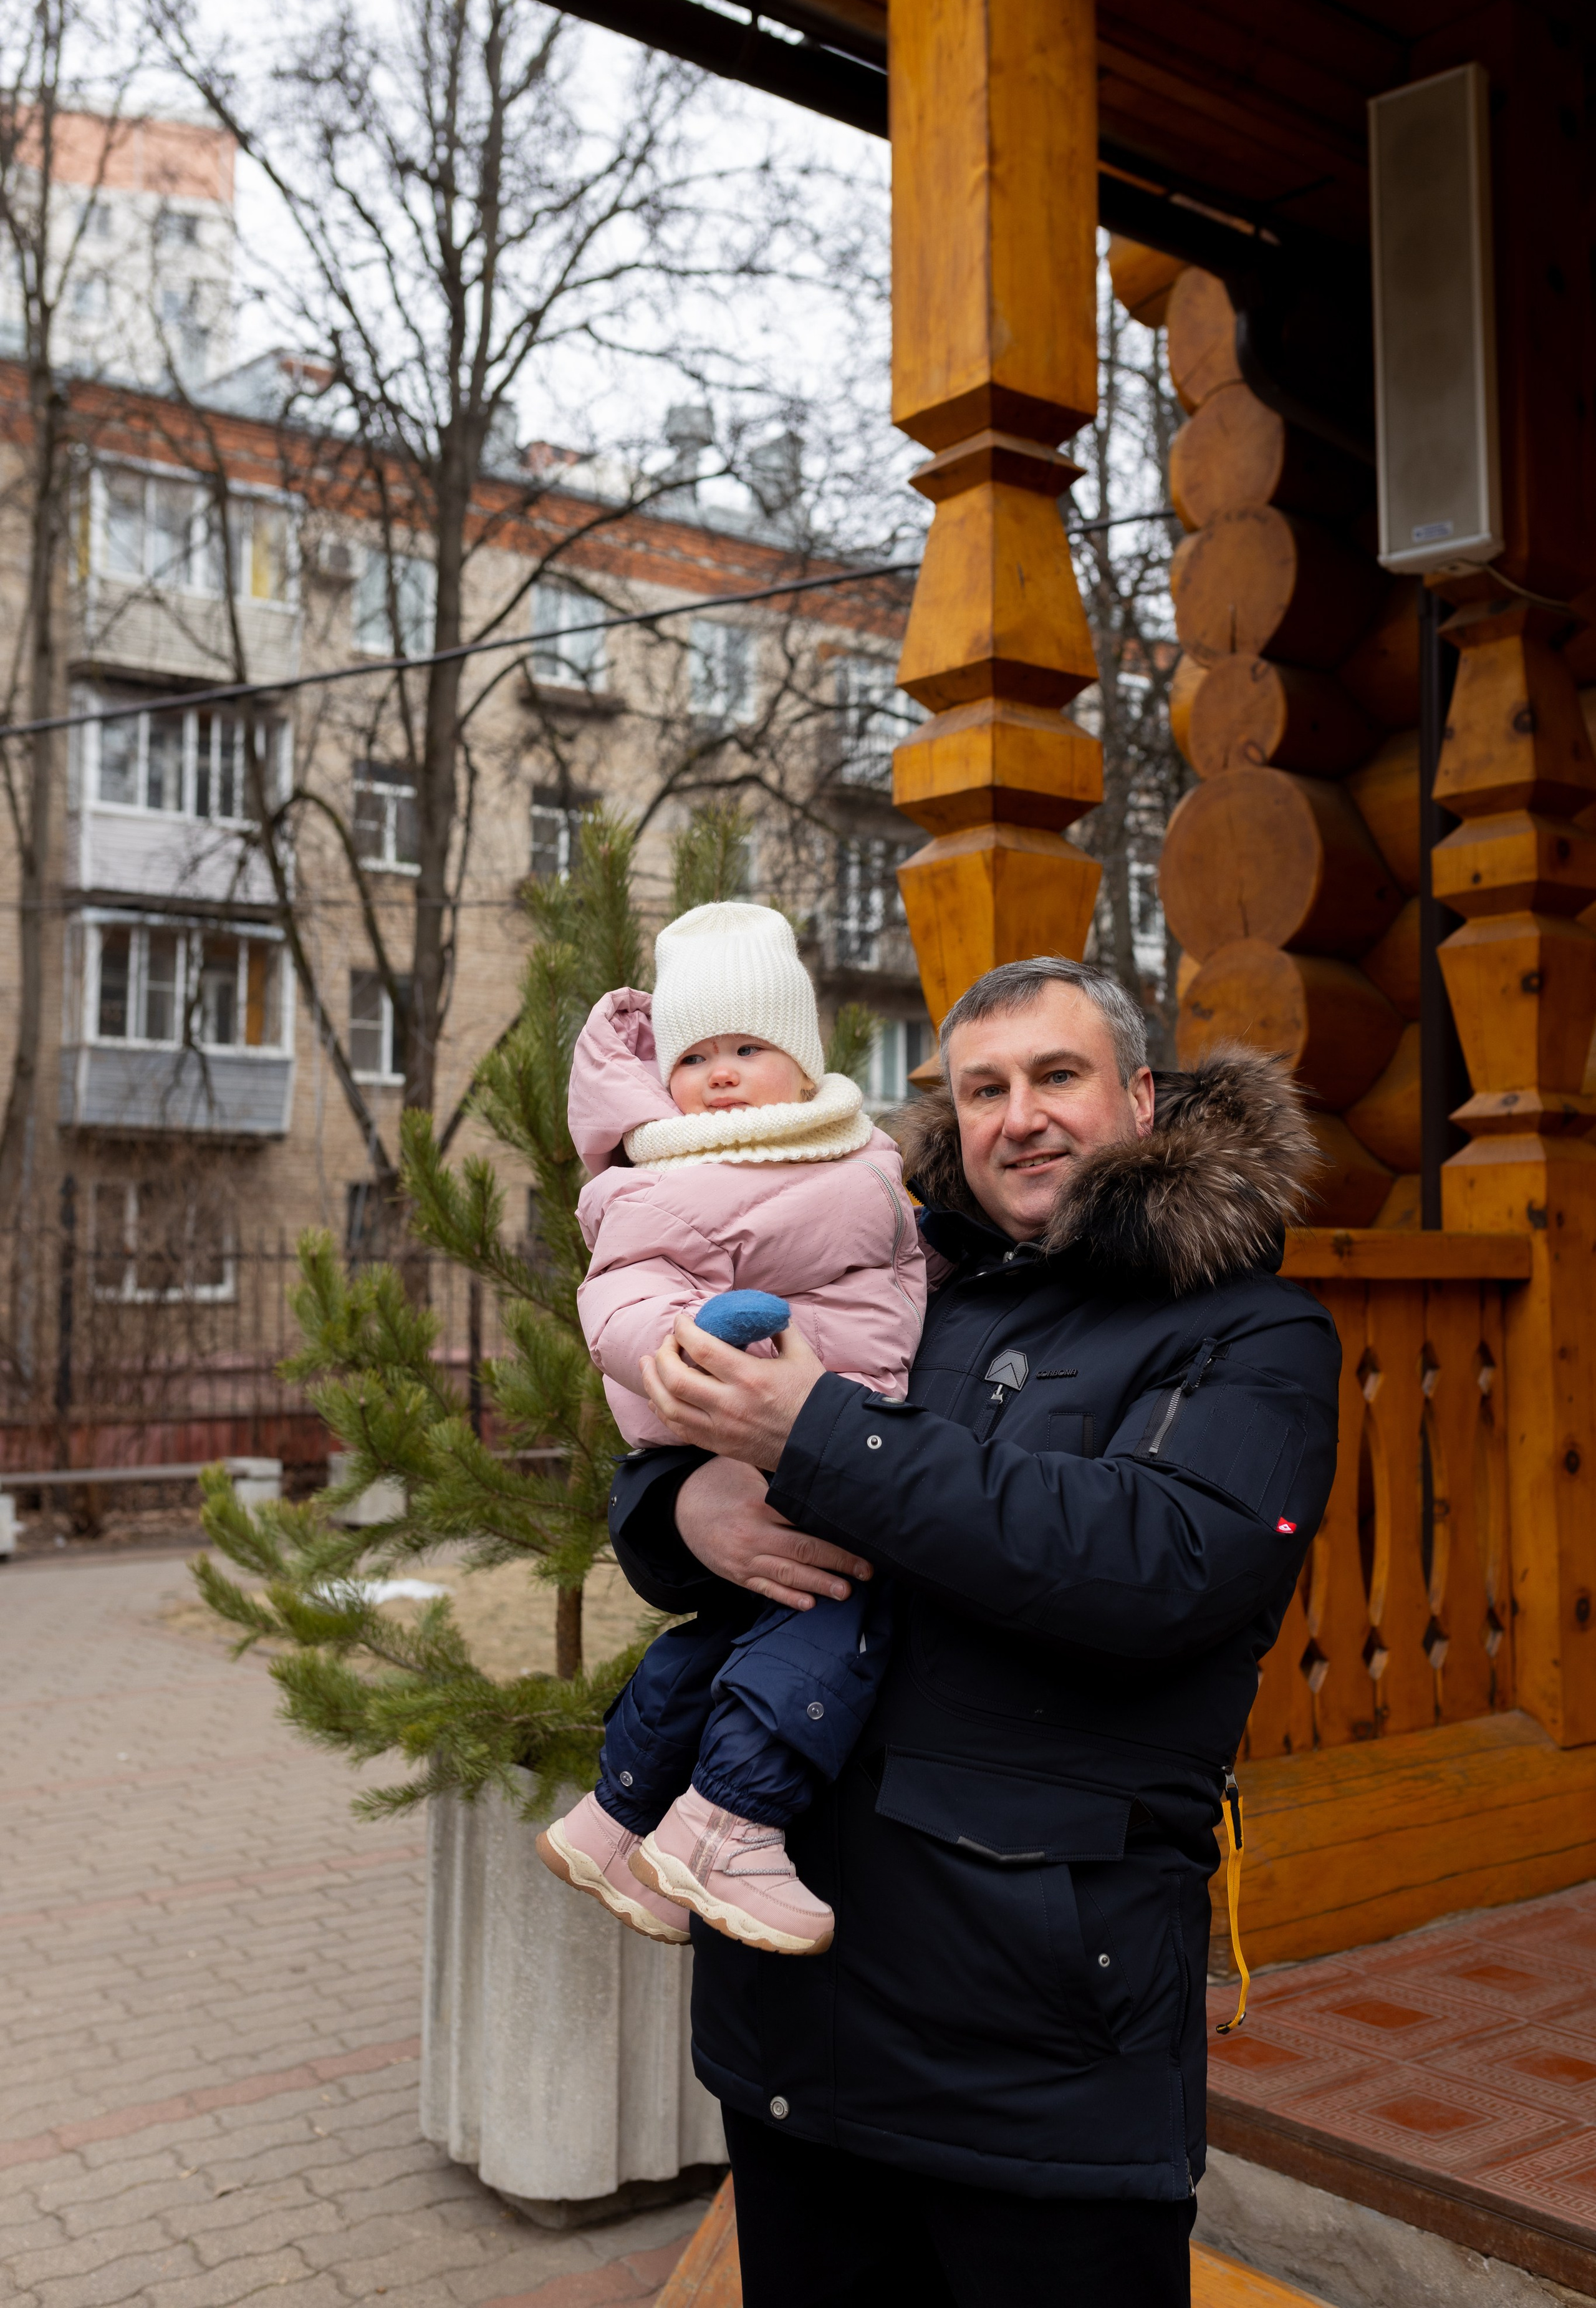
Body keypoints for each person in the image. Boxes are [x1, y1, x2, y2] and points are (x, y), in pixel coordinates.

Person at [610, 957, 1341, 2308]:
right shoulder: (888, 1273)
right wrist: (679, 1509)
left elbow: (1157, 1566)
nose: (1020, 1116)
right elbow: (687, 1436)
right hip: (796, 2032)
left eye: (1056, 1077)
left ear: (1137, 1095)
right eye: (982, 1089)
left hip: (1038, 2059)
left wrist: (817, 1433)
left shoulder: (1247, 1331)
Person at [537, 900, 926, 1957]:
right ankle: (729, 1825)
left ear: (803, 1064)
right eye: (695, 1054)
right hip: (754, 1417)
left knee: (728, 1641)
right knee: (837, 1608)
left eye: (747, 1047)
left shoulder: (851, 1148)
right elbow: (621, 1294)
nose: (718, 1074)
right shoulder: (673, 1172)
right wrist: (688, 1346)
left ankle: (620, 1818)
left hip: (843, 1429)